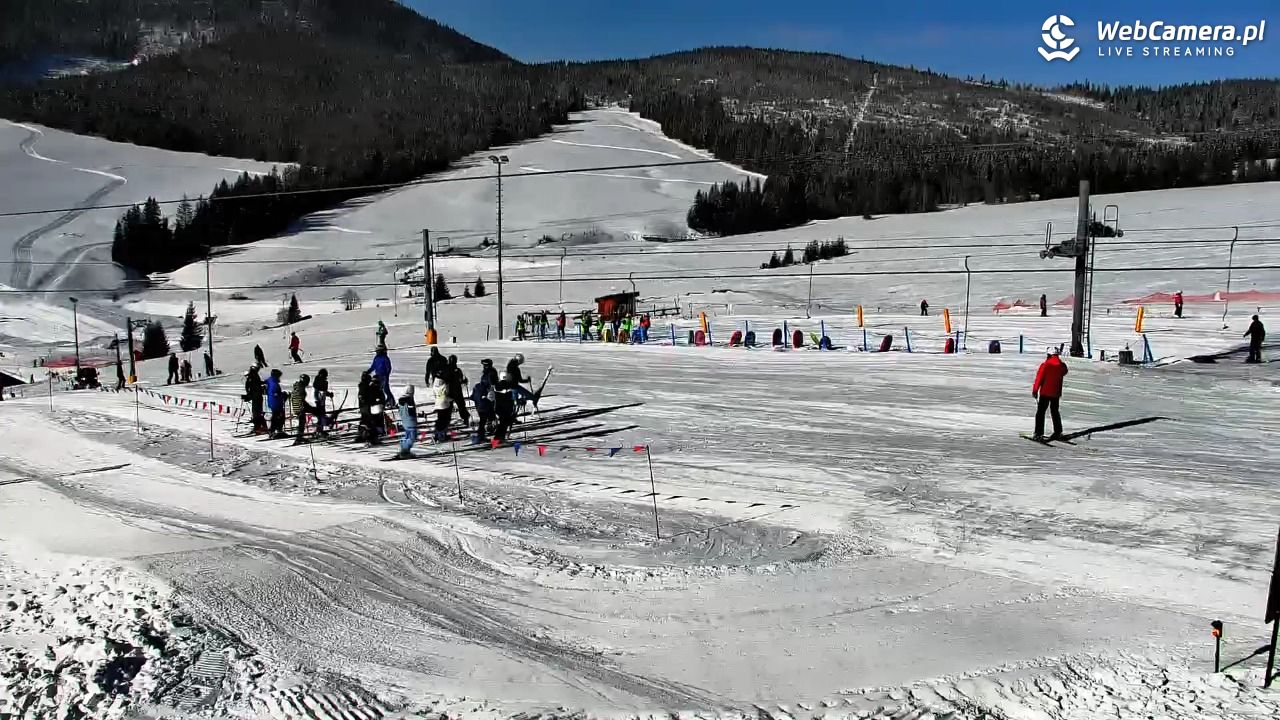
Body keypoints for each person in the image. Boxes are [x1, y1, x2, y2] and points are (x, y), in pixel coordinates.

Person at [1032, 347, 1068, 440]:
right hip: (1056, 393)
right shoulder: (1062, 366)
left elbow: (1039, 378)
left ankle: (1038, 433)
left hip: (1045, 392)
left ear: (1048, 355)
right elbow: (1065, 371)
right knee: (1055, 412)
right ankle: (1058, 431)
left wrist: (1035, 390)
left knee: (1040, 412)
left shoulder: (1046, 365)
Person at [470, 359, 498, 443]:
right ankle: (482, 434)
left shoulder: (487, 374)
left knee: (484, 418)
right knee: (486, 417)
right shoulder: (491, 373)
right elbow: (493, 385)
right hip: (486, 398)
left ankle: (483, 433)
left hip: (483, 399)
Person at [356, 370, 384, 445]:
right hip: (368, 407)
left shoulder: (363, 386)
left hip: (363, 407)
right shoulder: (367, 387)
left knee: (365, 421)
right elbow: (369, 398)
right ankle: (371, 438)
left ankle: (362, 436)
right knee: (371, 423)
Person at [290, 373, 315, 445]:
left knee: (302, 422)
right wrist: (305, 407)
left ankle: (300, 437)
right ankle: (299, 438)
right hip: (299, 406)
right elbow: (299, 399)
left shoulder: (298, 386)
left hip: (297, 406)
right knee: (302, 422)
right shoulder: (300, 387)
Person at [445, 355, 470, 426]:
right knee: (461, 406)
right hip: (457, 391)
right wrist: (464, 381)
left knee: (448, 407)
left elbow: (445, 380)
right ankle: (465, 418)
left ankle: (447, 421)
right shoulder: (458, 370)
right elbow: (460, 380)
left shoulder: (446, 370)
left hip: (449, 391)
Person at [493, 372, 517, 443]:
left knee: (503, 423)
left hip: (498, 408)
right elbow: (513, 396)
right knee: (504, 423)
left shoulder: (497, 386)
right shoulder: (509, 386)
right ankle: (498, 437)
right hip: (507, 408)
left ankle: (500, 437)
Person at [396, 385, 417, 458]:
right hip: (410, 420)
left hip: (404, 420)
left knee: (407, 435)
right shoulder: (409, 400)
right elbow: (411, 411)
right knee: (412, 436)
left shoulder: (401, 399)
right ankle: (405, 451)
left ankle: (403, 449)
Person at [244, 366, 267, 434]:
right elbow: (253, 389)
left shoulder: (252, 378)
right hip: (256, 397)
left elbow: (254, 389)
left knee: (257, 413)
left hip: (256, 398)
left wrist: (249, 396)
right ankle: (262, 426)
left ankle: (258, 427)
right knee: (258, 413)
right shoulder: (254, 377)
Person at [266, 369, 288, 438]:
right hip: (276, 403)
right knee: (278, 417)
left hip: (272, 402)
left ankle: (275, 431)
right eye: (279, 376)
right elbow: (276, 394)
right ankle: (276, 431)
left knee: (276, 416)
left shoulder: (270, 381)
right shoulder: (274, 383)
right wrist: (284, 395)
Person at [313, 368, 334, 436]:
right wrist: (319, 401)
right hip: (319, 401)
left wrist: (329, 394)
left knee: (321, 415)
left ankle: (320, 429)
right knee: (321, 415)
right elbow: (320, 391)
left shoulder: (321, 381)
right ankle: (319, 430)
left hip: (321, 401)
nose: (326, 377)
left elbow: (323, 391)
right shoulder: (319, 382)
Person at [431, 377, 452, 442]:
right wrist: (451, 399)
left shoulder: (434, 386)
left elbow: (435, 395)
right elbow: (446, 395)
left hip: (438, 404)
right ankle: (442, 436)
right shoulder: (445, 386)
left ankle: (437, 434)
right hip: (445, 405)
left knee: (440, 419)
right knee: (445, 421)